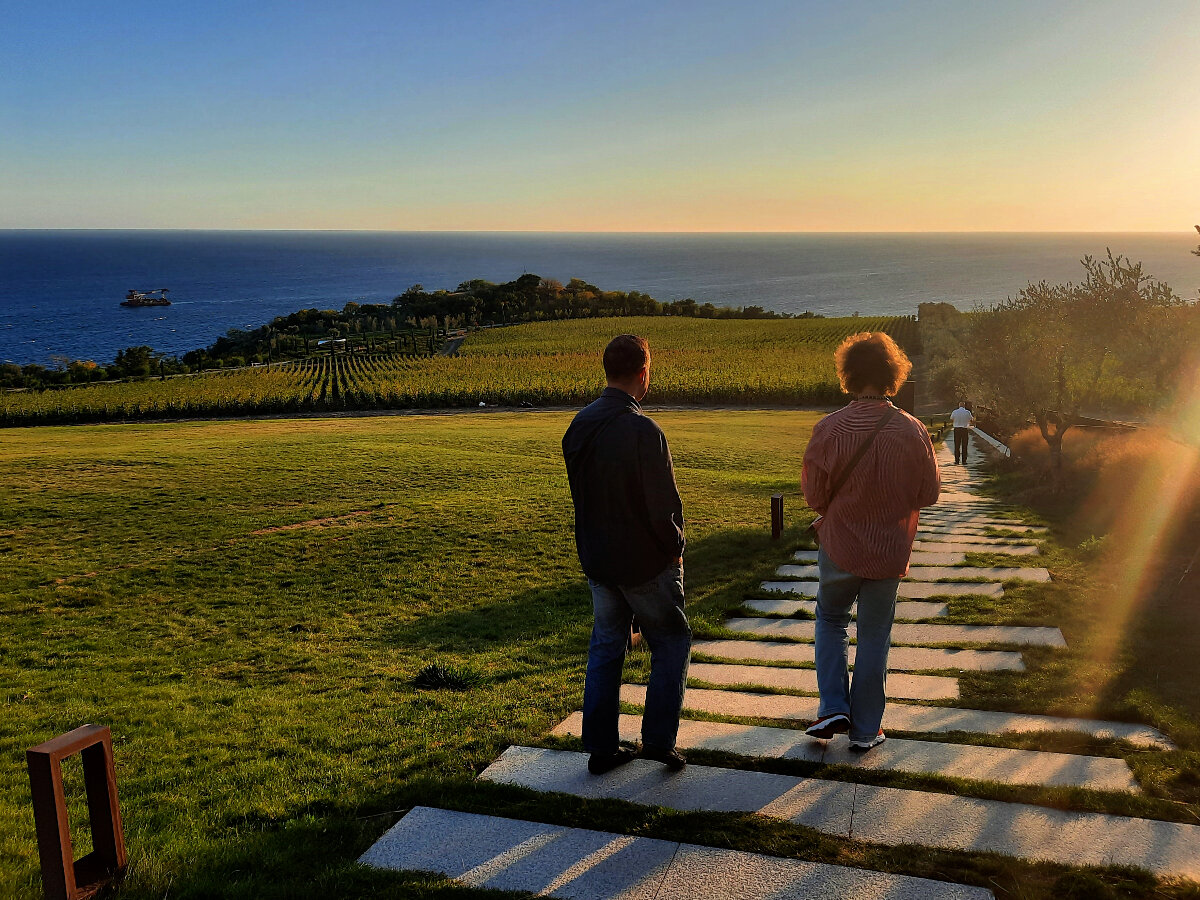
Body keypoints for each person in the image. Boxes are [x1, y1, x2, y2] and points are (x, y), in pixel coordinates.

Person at [800, 332, 940, 751]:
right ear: (892, 375)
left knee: (830, 619)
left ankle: (831, 707)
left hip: (840, 544)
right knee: (875, 634)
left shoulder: (828, 428)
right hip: (889, 549)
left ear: (849, 374)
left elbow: (814, 496)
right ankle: (865, 731)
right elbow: (929, 494)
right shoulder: (913, 431)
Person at [562, 334, 691, 775]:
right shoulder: (643, 430)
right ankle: (658, 739)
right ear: (643, 372)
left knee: (605, 647)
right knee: (672, 640)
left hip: (599, 559)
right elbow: (663, 506)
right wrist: (675, 550)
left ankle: (601, 747)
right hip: (644, 563)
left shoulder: (579, 424)